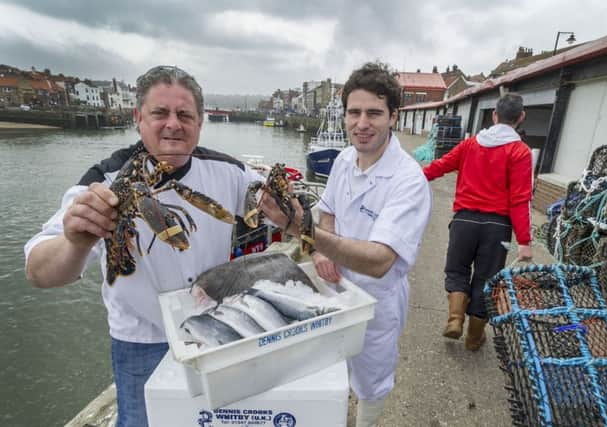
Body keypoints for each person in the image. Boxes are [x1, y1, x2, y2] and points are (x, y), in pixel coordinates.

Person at [24, 65, 263, 427]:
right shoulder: (105, 178)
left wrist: (296, 217)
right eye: (159, 113)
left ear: (200, 122)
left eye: (184, 115)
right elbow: (39, 272)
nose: (173, 124)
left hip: (212, 327)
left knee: (214, 418)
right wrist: (75, 241)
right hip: (141, 340)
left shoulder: (230, 172)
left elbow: (284, 209)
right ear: (138, 119)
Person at [259, 62, 431, 427]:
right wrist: (320, 249)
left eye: (374, 113)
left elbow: (380, 260)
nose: (362, 123)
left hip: (377, 301)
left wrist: (297, 226)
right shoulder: (342, 160)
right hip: (333, 287)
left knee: (371, 384)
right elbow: (329, 213)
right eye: (354, 112)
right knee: (328, 373)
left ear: (393, 117)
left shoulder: (408, 181)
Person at [422, 92, 533, 351]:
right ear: (521, 117)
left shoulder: (470, 144)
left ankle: (455, 319)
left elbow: (439, 166)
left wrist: (413, 176)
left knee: (457, 271)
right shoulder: (520, 152)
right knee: (486, 279)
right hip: (498, 227)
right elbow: (520, 199)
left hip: (464, 221)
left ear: (494, 115)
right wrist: (525, 241)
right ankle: (474, 338)